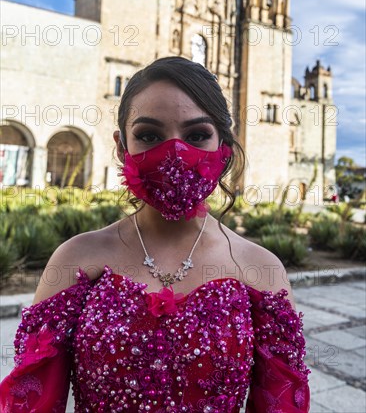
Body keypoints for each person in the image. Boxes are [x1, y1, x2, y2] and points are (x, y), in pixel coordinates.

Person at [0, 57, 310, 412]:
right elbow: (31, 401)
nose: (174, 153)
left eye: (196, 135)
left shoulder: (260, 269)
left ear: (224, 147)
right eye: (149, 135)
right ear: (121, 147)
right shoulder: (77, 259)